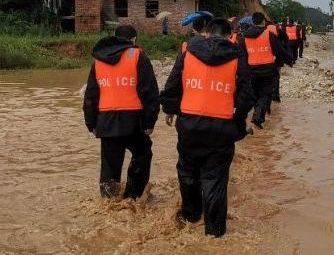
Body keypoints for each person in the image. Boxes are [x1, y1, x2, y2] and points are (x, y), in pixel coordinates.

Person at [160, 18, 255, 237]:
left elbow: (173, 83)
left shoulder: (189, 51)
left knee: (187, 171)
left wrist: (170, 110)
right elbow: (246, 97)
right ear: (230, 35)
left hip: (189, 125)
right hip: (222, 128)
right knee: (215, 179)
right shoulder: (237, 55)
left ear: (207, 33)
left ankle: (191, 216)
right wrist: (238, 122)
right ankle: (214, 234)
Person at [83, 25, 160, 199]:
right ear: (134, 39)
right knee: (142, 154)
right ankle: (133, 198)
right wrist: (150, 122)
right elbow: (149, 93)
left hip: (106, 121)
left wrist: (91, 123)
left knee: (110, 165)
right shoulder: (137, 55)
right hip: (134, 120)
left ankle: (109, 202)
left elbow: (91, 96)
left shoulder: (99, 60)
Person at [241, 12, 292, 128]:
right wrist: (289, 60)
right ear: (263, 21)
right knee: (266, 94)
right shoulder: (268, 35)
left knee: (256, 94)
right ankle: (258, 115)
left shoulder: (244, 37)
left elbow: (242, 55)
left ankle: (258, 118)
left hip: (251, 72)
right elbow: (279, 51)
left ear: (253, 22)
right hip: (268, 71)